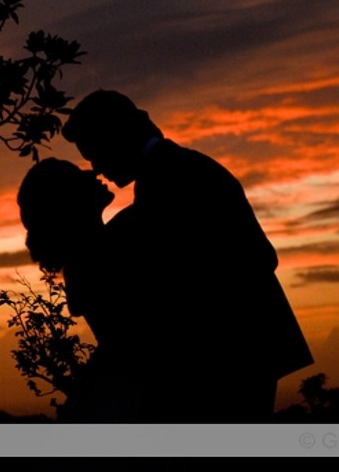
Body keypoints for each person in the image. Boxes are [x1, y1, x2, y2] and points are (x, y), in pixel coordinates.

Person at [60, 89, 314, 422]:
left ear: (116, 138)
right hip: (243, 350)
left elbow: (253, 258)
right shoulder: (173, 172)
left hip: (233, 354)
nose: (95, 168)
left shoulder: (170, 178)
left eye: (94, 152)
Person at [17, 158, 156, 422]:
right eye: (78, 175)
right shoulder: (99, 257)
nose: (93, 173)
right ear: (69, 202)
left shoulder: (100, 250)